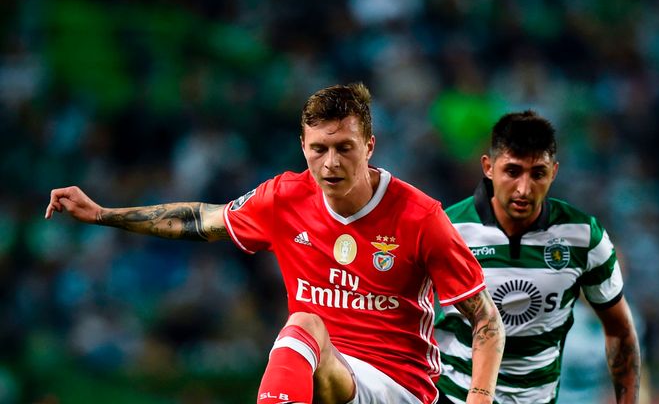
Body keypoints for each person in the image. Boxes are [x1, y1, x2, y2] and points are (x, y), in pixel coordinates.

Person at [45, 83, 505, 404]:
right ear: (302, 145)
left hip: (397, 387)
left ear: (370, 146)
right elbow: (201, 220)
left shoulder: (420, 216)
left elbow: (487, 320)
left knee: (302, 324)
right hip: (321, 380)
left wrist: (478, 401)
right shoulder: (283, 197)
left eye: (344, 147)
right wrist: (103, 214)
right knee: (303, 333)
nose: (330, 163)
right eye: (318, 149)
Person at [434, 110, 641, 403]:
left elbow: (620, 331)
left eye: (538, 173)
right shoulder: (446, 229)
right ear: (488, 167)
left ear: (554, 172)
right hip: (454, 396)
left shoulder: (584, 237)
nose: (524, 189)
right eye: (512, 171)